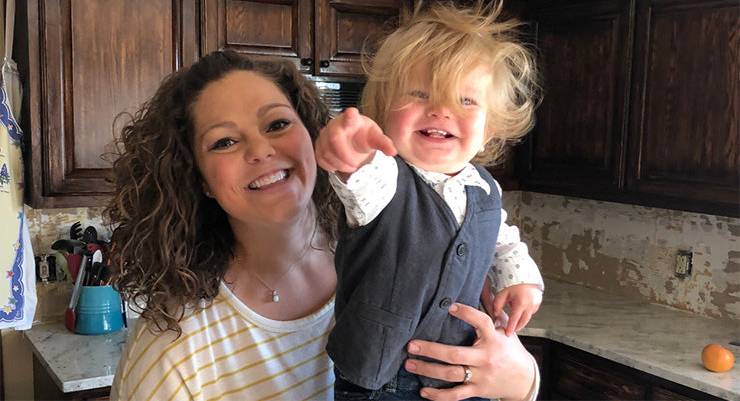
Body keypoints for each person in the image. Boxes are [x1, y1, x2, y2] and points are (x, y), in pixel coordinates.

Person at [107, 50, 539, 401]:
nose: (261, 149)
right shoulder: (174, 354)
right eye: (224, 141)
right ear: (198, 177)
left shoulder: (414, 240)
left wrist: (523, 381)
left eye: (277, 124)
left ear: (312, 132)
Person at [315, 0, 544, 400]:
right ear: (384, 113)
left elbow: (501, 238)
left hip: (459, 370)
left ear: (489, 129)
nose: (441, 110)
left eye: (467, 101)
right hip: (378, 377)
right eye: (420, 94)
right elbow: (359, 176)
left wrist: (521, 278)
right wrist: (350, 153)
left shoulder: (485, 187)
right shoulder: (386, 177)